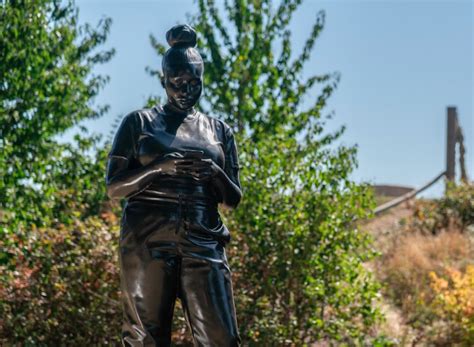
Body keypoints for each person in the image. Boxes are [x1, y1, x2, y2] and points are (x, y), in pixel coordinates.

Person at [105, 24, 243, 346]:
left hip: (204, 239)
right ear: (163, 81)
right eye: (177, 83)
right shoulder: (138, 123)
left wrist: (214, 173)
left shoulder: (219, 132)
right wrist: (159, 168)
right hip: (147, 239)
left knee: (221, 338)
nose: (185, 91)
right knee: (145, 339)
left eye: (194, 83)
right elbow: (114, 188)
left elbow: (233, 197)